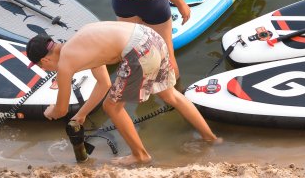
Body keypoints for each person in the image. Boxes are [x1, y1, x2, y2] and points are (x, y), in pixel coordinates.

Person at [27, 21, 219, 166]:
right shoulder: (79, 43)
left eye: (43, 67)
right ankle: (211, 138)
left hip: (138, 51)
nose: (48, 70)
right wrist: (82, 114)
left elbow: (60, 110)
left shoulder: (65, 62)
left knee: (112, 107)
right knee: (170, 95)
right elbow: (104, 84)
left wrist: (50, 111)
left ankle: (140, 155)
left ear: (44, 61)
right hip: (151, 38)